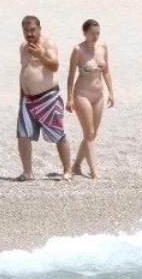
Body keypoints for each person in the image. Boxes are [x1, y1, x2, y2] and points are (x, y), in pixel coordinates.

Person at [17, 15, 72, 181]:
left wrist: (41, 55)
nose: (29, 33)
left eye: (32, 29)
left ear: (39, 29)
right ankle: (28, 172)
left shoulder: (48, 44)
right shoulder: (23, 47)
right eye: (26, 30)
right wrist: (21, 99)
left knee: (58, 134)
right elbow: (23, 72)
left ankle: (67, 170)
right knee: (22, 134)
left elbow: (55, 66)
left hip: (48, 97)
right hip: (28, 99)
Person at [65, 19, 116, 179]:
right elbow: (71, 74)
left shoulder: (103, 47)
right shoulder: (78, 50)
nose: (95, 37)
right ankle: (94, 172)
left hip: (98, 94)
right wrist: (69, 98)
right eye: (92, 34)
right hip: (82, 93)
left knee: (92, 134)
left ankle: (76, 166)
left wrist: (111, 92)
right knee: (89, 131)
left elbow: (106, 71)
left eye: (97, 33)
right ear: (85, 33)